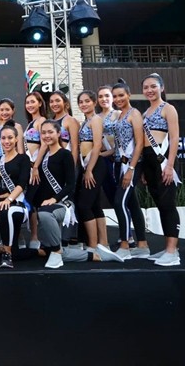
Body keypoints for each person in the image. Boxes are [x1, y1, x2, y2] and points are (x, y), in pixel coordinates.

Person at [35, 120, 122, 268]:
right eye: (43, 133)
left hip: (65, 203)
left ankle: (58, 252)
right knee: (46, 249)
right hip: (49, 204)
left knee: (44, 215)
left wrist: (54, 198)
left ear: (58, 134)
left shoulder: (66, 155)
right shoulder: (44, 157)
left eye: (50, 132)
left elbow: (70, 185)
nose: (47, 135)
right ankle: (93, 255)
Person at [141, 73, 181, 266]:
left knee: (167, 205)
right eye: (146, 87)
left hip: (163, 160)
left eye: (153, 86)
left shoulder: (168, 109)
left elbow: (174, 138)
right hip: (148, 161)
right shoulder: (144, 113)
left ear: (161, 88)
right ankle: (167, 248)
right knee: (160, 204)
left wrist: (170, 165)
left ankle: (173, 251)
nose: (149, 90)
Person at [112, 81, 149, 260]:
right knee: (132, 204)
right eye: (115, 96)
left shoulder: (134, 114)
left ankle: (125, 244)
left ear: (129, 95)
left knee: (120, 202)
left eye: (121, 95)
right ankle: (142, 244)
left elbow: (140, 142)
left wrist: (132, 169)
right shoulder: (120, 116)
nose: (118, 99)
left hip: (132, 165)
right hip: (121, 163)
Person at [75, 90, 113, 251]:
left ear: (94, 103)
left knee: (84, 205)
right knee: (95, 204)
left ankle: (93, 244)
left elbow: (97, 145)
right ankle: (103, 243)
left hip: (95, 166)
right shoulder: (85, 121)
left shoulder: (96, 120)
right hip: (87, 165)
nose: (84, 104)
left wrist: (89, 169)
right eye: (81, 102)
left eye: (87, 101)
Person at [0, 122, 30, 269]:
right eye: (3, 138)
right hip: (0, 201)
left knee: (5, 210)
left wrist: (9, 198)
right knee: (16, 251)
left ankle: (7, 255)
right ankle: (37, 252)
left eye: (10, 138)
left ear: (16, 139)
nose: (6, 141)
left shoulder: (23, 159)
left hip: (18, 204)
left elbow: (22, 184)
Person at [23, 92, 46, 249]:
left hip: (36, 167)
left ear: (39, 103)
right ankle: (33, 237)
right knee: (31, 203)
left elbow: (44, 144)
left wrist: (36, 166)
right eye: (27, 102)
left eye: (33, 102)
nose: (30, 105)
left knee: (33, 202)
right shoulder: (30, 122)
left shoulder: (42, 121)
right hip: (30, 167)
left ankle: (35, 237)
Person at [97, 86, 119, 213]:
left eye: (107, 95)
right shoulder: (96, 117)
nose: (103, 99)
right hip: (103, 162)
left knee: (121, 199)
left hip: (117, 160)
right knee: (110, 196)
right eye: (100, 96)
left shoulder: (118, 114)